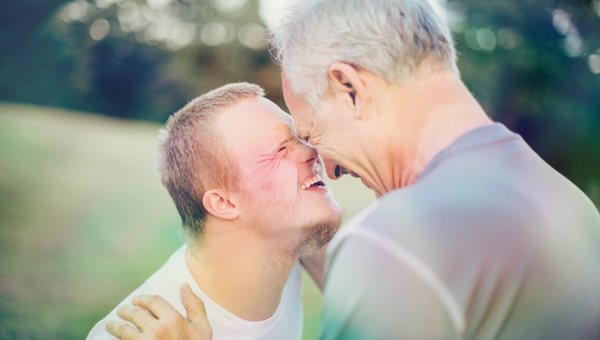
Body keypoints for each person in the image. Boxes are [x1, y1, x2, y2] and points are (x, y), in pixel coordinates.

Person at [108, 0, 600, 339]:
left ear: (349, 89)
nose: (329, 167)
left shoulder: (393, 248)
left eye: (310, 130)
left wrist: (371, 261)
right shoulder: (568, 199)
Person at [88, 82, 342, 340]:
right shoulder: (139, 333)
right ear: (224, 203)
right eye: (280, 149)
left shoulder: (289, 242)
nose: (312, 151)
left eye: (300, 137)